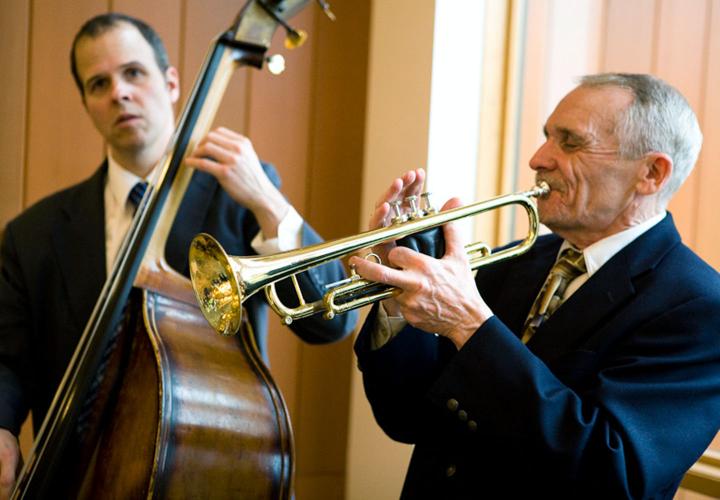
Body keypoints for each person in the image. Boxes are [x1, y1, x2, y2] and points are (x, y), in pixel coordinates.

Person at [0, 12, 356, 497]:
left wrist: (269, 203)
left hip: (216, 476)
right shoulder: (32, 234)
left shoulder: (240, 195)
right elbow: (8, 360)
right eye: (98, 83)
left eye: (134, 73)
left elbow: (330, 322)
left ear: (170, 83)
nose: (119, 93)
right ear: (86, 103)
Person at [351, 73, 720, 498]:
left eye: (570, 142)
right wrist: (398, 298)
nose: (538, 159)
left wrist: (471, 325)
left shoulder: (699, 307)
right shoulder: (521, 259)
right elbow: (407, 418)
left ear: (651, 173)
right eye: (547, 137)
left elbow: (613, 476)